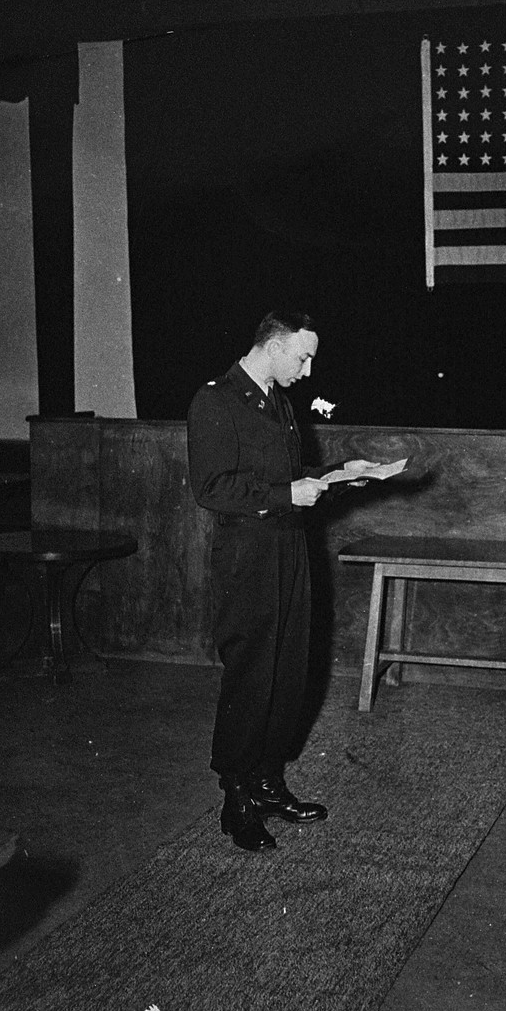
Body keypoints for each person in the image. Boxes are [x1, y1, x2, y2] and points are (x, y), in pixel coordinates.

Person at [187, 311, 377, 852]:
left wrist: (338, 475)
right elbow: (212, 487)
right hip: (246, 558)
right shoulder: (215, 401)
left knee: (289, 670)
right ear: (272, 345)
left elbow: (289, 481)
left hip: (291, 549)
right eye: (302, 356)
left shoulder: (279, 400)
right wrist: (285, 496)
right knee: (251, 673)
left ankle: (269, 782)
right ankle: (237, 797)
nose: (308, 368)